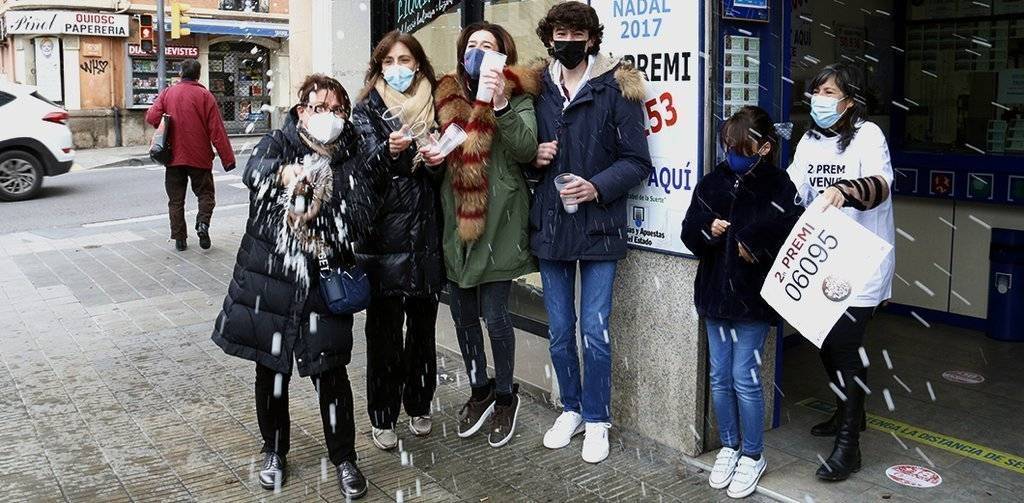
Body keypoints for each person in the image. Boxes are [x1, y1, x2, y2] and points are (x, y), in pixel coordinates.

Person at [210, 74, 380, 500]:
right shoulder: (277, 144)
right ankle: (274, 450)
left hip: (322, 283)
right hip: (273, 279)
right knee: (271, 371)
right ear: (302, 111)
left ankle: (344, 458)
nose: (330, 117)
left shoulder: (351, 156)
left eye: (338, 109)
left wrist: (322, 206)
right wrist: (286, 176)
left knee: (331, 373)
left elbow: (359, 217)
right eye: (320, 107)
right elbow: (254, 174)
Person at [528, 2, 654, 463]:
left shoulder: (617, 88)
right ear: (549, 38)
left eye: (576, 32)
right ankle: (572, 407)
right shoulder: (537, 87)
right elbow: (518, 146)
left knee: (595, 332)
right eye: (559, 32)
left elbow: (638, 161)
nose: (567, 40)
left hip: (599, 226)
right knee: (560, 331)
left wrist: (596, 186)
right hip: (553, 225)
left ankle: (598, 419)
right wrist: (535, 157)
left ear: (591, 39)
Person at [424, 21, 540, 448]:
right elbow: (440, 152)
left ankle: (507, 395)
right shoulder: (446, 95)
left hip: (500, 221)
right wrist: (433, 157)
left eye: (487, 46)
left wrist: (503, 104)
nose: (477, 51)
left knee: (495, 316)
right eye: (471, 45)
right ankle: (480, 388)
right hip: (456, 221)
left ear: (503, 55)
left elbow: (527, 148)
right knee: (461, 315)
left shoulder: (518, 93)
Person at [681, 107, 803, 498]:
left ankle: (753, 453)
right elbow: (688, 231)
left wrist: (753, 239)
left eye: (741, 148)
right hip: (715, 295)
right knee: (719, 376)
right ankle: (730, 447)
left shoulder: (779, 183)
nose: (732, 154)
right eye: (728, 147)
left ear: (764, 148)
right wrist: (707, 229)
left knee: (744, 379)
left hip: (752, 298)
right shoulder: (712, 181)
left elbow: (790, 229)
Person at [787, 63, 894, 482]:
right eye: (817, 92)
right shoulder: (810, 140)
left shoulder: (868, 135)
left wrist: (845, 190)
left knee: (846, 347)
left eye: (829, 92)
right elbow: (792, 187)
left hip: (861, 259)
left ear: (849, 101)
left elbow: (881, 183)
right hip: (824, 259)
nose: (820, 100)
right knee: (828, 345)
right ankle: (849, 412)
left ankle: (849, 446)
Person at [348, 30, 445, 452]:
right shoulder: (366, 108)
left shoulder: (437, 105)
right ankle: (383, 414)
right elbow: (360, 171)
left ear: (419, 64)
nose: (398, 69)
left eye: (405, 60)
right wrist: (388, 153)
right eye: (389, 61)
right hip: (382, 235)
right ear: (378, 67)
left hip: (425, 232)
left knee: (423, 328)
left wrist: (437, 162)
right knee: (384, 331)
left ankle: (420, 403)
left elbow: (444, 174)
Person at [145, 59, 235, 252]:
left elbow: (151, 117)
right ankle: (203, 224)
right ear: (198, 75)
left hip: (173, 156)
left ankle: (180, 239)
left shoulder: (168, 93)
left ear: (180, 74)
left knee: (176, 200)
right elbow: (217, 130)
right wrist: (228, 160)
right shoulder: (205, 96)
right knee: (205, 194)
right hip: (199, 157)